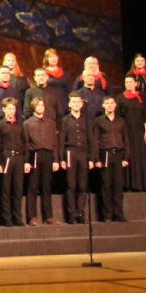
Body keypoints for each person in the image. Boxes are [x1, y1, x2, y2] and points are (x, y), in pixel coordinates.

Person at [23, 97, 60, 225]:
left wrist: (56, 160)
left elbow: (55, 142)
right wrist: (26, 161)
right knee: (32, 187)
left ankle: (48, 216)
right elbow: (25, 144)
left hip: (48, 155)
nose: (40, 107)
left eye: (42, 105)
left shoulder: (51, 123)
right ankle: (32, 216)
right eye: (38, 105)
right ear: (34, 107)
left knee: (46, 187)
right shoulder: (27, 123)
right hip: (34, 155)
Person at [95, 96, 130, 223]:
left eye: (111, 103)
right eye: (107, 103)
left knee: (118, 186)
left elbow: (126, 140)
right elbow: (95, 140)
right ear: (103, 105)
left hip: (119, 155)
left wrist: (126, 157)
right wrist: (96, 158)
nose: (109, 105)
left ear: (115, 105)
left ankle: (118, 213)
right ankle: (107, 215)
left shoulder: (121, 121)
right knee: (107, 185)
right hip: (105, 154)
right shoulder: (98, 121)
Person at [60, 91, 93, 224]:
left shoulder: (87, 120)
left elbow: (91, 140)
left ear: (82, 104)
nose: (76, 104)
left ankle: (81, 213)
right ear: (69, 104)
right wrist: (61, 159)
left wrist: (91, 158)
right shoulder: (65, 120)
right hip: (70, 153)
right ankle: (72, 214)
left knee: (83, 185)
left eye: (78, 102)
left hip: (83, 153)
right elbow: (61, 141)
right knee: (71, 185)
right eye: (73, 102)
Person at [0, 98, 28, 226]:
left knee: (18, 190)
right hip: (6, 159)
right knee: (6, 190)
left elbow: (25, 144)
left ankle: (17, 217)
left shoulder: (20, 125)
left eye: (13, 108)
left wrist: (26, 161)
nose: (11, 111)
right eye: (9, 108)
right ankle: (6, 218)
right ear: (3, 109)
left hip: (18, 159)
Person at [120, 74, 146, 191]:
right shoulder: (121, 98)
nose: (128, 84)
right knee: (128, 155)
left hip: (139, 131)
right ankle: (128, 185)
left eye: (130, 82)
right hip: (127, 131)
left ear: (135, 83)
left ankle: (140, 184)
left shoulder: (141, 97)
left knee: (140, 156)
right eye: (126, 82)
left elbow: (145, 115)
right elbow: (119, 117)